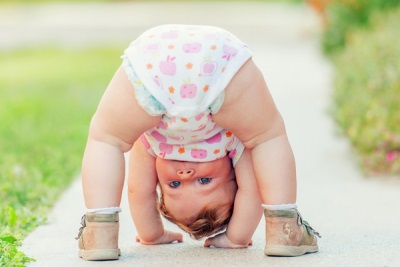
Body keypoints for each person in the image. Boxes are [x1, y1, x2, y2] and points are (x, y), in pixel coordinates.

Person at [75, 24, 321, 261]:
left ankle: (101, 233)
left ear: (157, 180)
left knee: (106, 139)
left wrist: (152, 234)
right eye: (203, 181)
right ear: (233, 174)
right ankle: (284, 228)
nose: (185, 172)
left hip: (156, 63)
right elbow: (255, 187)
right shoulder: (232, 144)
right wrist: (237, 237)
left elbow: (139, 190)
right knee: (266, 136)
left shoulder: (151, 144)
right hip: (216, 65)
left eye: (173, 184)